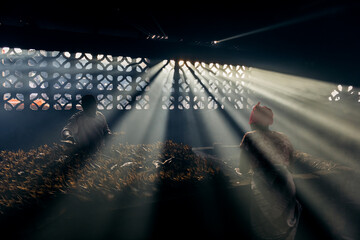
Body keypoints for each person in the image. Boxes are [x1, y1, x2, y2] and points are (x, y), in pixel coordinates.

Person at [240, 102, 301, 240]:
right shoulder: (284, 137)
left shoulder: (249, 137)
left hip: (264, 181)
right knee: (285, 222)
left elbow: (243, 167)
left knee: (265, 223)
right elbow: (291, 164)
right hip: (285, 181)